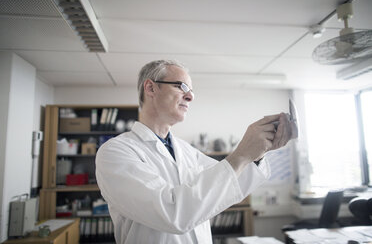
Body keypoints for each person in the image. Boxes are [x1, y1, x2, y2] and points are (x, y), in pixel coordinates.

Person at [95, 60, 297, 244]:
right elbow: (173, 214)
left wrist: (259, 151)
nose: (190, 96)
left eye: (191, 91)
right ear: (150, 88)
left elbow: (228, 186)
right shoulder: (115, 152)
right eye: (181, 86)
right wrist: (242, 154)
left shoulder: (187, 151)